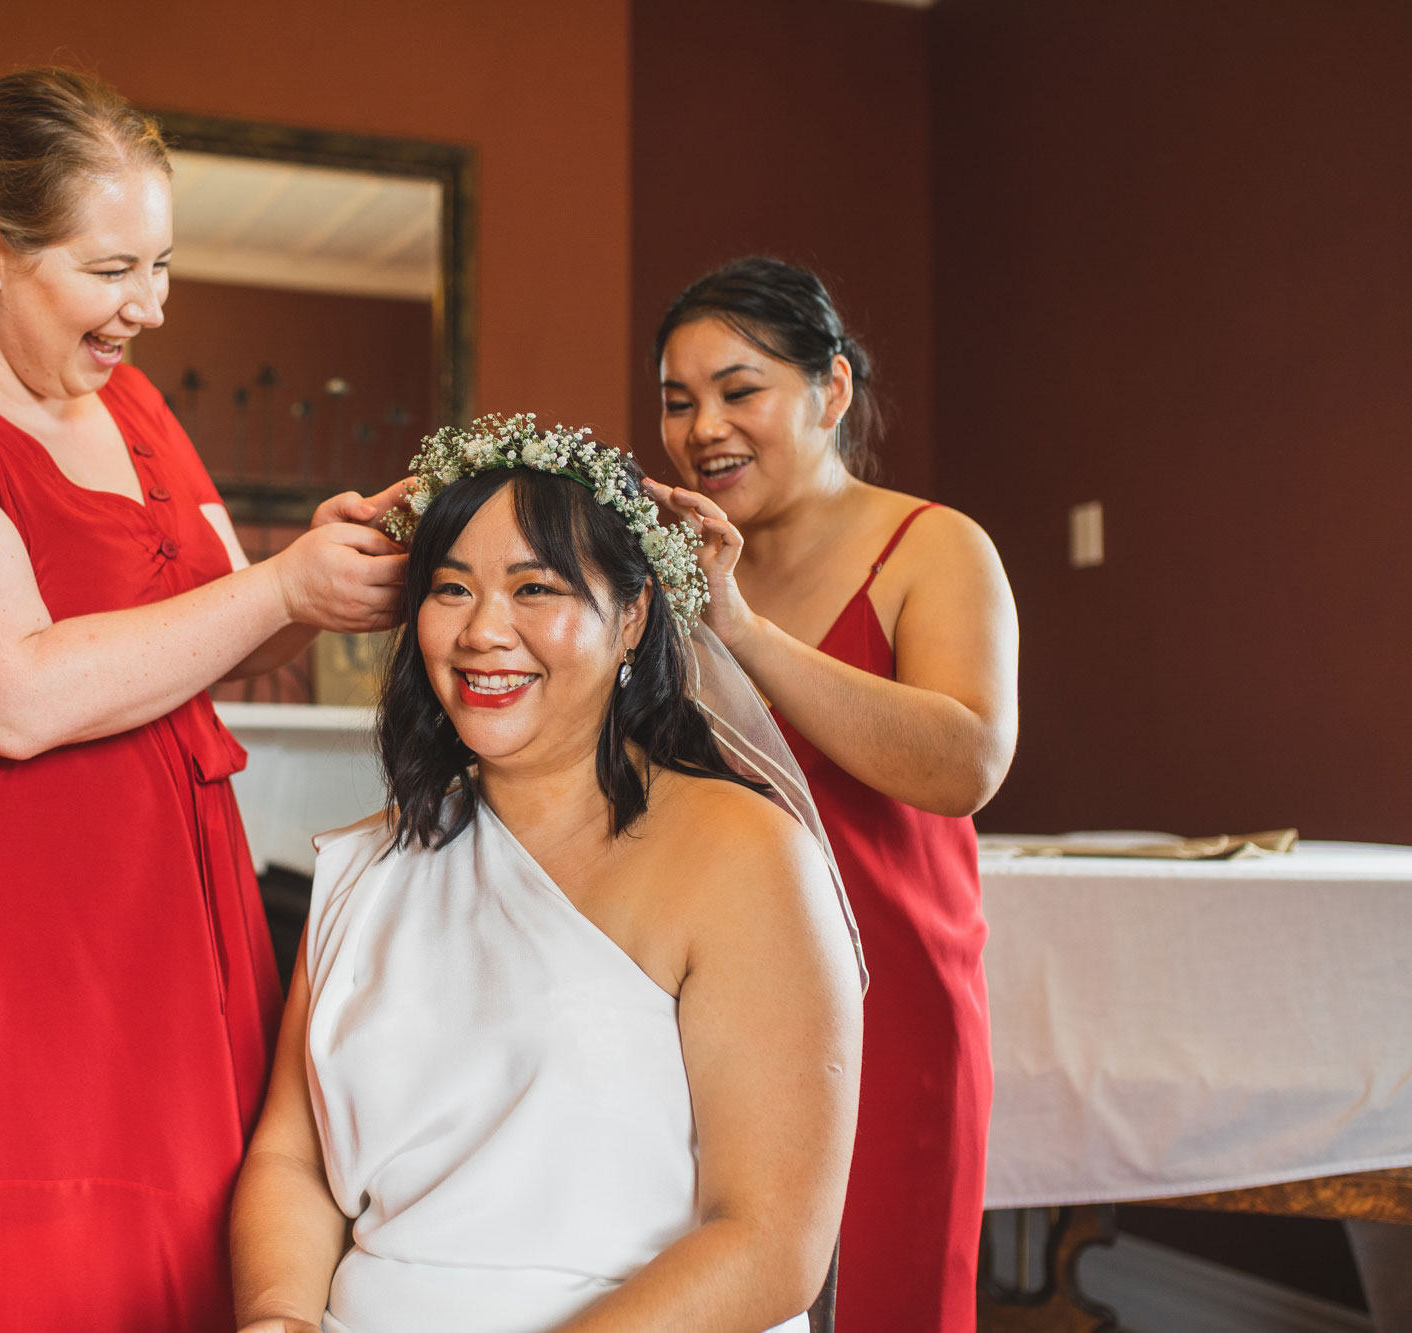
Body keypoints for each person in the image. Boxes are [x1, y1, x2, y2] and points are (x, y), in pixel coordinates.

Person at [0, 68, 407, 1332]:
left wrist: (306, 581)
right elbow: (9, 692)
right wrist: (275, 588)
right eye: (112, 271)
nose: (148, 309)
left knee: (178, 1252)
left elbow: (220, 636)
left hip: (160, 900)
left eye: (160, 266)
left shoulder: (129, 402)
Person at [230, 417, 866, 1333]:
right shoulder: (368, 862)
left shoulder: (745, 856)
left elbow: (771, 1242)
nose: (485, 630)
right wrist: (278, 1317)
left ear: (635, 615)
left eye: (536, 587)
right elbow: (293, 1159)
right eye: (451, 588)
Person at [648, 257, 1020, 1332]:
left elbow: (963, 760)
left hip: (888, 1001)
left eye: (736, 389)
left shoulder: (933, 546)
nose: (701, 427)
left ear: (831, 391)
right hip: (705, 1005)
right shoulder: (674, 572)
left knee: (880, 1298)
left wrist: (743, 633)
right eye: (676, 402)